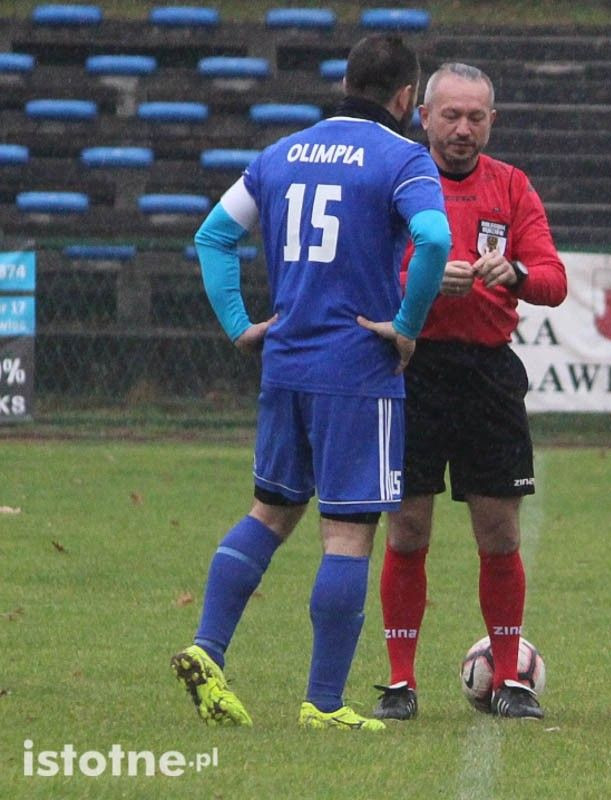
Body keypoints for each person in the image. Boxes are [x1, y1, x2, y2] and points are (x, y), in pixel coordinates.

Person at [171, 34, 451, 733]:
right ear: (405, 98)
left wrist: (240, 322)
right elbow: (436, 241)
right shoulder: (402, 158)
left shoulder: (281, 154)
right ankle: (324, 703)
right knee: (348, 535)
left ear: (347, 81)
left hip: (287, 363)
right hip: (356, 369)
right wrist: (408, 324)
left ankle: (208, 647)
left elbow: (211, 236)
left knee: (269, 513)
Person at [371, 62, 567, 722]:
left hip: (487, 375)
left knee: (499, 533)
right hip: (411, 369)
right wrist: (420, 281)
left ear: (493, 121)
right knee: (407, 530)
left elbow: (552, 280)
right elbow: (369, 269)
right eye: (449, 115)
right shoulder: (397, 180)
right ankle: (401, 683)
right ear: (423, 116)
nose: (462, 128)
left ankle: (510, 678)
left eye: (475, 117)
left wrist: (510, 272)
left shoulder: (511, 186)